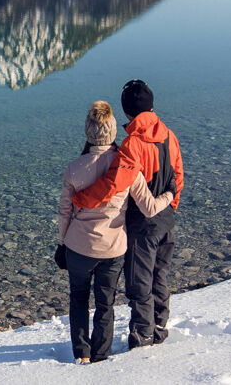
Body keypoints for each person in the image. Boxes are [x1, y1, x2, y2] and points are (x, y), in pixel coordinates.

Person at [71, 80, 184, 350]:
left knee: (139, 284)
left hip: (143, 224)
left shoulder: (133, 143)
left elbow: (114, 184)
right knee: (160, 276)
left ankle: (142, 338)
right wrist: (171, 207)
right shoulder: (169, 135)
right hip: (166, 218)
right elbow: (178, 176)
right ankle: (158, 326)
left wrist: (80, 199)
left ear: (127, 111)